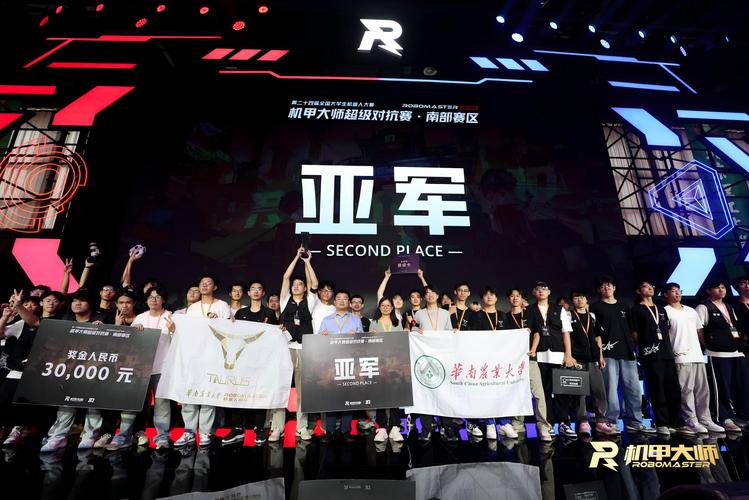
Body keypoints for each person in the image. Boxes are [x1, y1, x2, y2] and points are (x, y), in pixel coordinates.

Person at [105, 286, 175, 450]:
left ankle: (162, 438)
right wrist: (133, 331)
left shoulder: (171, 317)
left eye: (157, 297)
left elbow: (178, 343)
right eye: (150, 297)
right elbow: (129, 343)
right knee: (130, 403)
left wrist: (174, 331)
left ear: (164, 300)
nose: (153, 300)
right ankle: (123, 436)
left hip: (162, 367)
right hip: (139, 367)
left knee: (162, 404)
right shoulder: (140, 317)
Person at [40, 291, 108, 451]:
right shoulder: (64, 321)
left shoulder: (101, 321)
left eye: (82, 301)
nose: (77, 303)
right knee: (66, 403)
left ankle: (89, 436)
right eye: (75, 301)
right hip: (68, 370)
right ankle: (58, 437)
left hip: (92, 369)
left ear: (90, 304)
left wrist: (102, 331)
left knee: (92, 402)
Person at [589, 276, 653, 435]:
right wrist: (599, 354)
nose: (606, 288)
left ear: (614, 287)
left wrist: (635, 349)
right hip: (608, 353)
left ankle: (635, 421)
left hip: (627, 353)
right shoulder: (595, 307)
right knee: (610, 391)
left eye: (609, 285)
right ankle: (611, 422)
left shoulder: (625, 306)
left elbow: (632, 331)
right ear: (598, 290)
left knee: (633, 389)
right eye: (602, 286)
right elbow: (594, 334)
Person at [174, 275, 231, 448]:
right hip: (193, 355)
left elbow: (229, 329)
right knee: (190, 392)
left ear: (215, 287)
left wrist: (218, 321)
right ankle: (189, 431)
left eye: (208, 283)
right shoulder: (192, 308)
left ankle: (205, 431)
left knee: (209, 393)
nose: (204, 285)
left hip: (213, 355)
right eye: (202, 283)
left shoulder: (222, 305)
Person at [1, 290, 63, 446]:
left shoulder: (60, 322)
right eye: (47, 300)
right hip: (16, 372)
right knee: (3, 402)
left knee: (30, 408)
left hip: (41, 374)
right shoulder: (22, 323)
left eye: (55, 300)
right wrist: (4, 317)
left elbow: (35, 322)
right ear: (41, 303)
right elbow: (1, 334)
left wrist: (19, 305)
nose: (50, 303)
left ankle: (20, 430)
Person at [662, 283, 725, 434]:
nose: (677, 293)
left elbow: (699, 331)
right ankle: (691, 420)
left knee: (703, 389)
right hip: (680, 356)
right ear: (665, 294)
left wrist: (706, 347)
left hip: (697, 355)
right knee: (686, 390)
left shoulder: (691, 310)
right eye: (673, 291)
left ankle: (705, 419)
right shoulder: (665, 311)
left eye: (679, 291)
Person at [271, 246, 318, 442]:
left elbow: (314, 282)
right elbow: (285, 277)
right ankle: (276, 428)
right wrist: (296, 257)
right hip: (286, 349)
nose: (296, 286)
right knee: (280, 387)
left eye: (300, 284)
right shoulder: (284, 301)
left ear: (305, 288)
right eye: (294, 284)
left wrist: (307, 262)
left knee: (303, 391)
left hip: (304, 349)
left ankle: (302, 426)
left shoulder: (310, 300)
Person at [223, 280, 278, 446]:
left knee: (259, 392)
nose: (256, 291)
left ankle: (259, 428)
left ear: (263, 293)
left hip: (262, 361)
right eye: (253, 289)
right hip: (243, 360)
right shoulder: (241, 313)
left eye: (259, 289)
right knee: (239, 392)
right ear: (248, 293)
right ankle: (237, 428)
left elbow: (275, 337)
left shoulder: (269, 313)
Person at [559, 291, 616, 436]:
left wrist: (600, 356)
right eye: (576, 298)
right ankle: (583, 421)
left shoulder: (592, 316)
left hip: (592, 359)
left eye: (582, 297)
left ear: (586, 300)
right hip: (577, 359)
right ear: (572, 301)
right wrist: (568, 356)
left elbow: (598, 338)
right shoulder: (568, 315)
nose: (579, 300)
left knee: (599, 390)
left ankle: (601, 421)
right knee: (580, 392)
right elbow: (566, 336)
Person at [629, 280, 683, 436]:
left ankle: (675, 422)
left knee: (673, 389)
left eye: (651, 286)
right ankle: (661, 422)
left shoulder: (661, 309)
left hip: (667, 353)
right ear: (638, 291)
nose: (650, 289)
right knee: (656, 389)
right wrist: (642, 350)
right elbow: (634, 334)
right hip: (650, 354)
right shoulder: (635, 310)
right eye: (645, 286)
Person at [695, 280, 749, 432]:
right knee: (722, 387)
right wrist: (709, 345)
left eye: (723, 287)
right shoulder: (703, 307)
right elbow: (699, 329)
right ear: (708, 290)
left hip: (736, 351)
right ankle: (724, 418)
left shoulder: (729, 306)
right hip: (718, 353)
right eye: (717, 287)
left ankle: (743, 416)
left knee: (742, 385)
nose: (721, 290)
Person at [527, 281, 575, 437]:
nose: (541, 291)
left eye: (544, 289)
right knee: (544, 393)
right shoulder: (529, 310)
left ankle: (564, 423)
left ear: (549, 292)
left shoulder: (559, 309)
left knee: (561, 392)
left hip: (558, 355)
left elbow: (566, 332)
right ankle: (548, 424)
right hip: (539, 356)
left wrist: (568, 355)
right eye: (537, 289)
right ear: (534, 293)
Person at [504, 287, 551, 441]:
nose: (515, 298)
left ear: (522, 298)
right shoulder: (505, 317)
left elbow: (537, 333)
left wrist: (533, 349)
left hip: (530, 359)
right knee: (517, 393)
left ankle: (543, 425)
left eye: (518, 295)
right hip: (514, 362)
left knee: (538, 394)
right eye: (512, 296)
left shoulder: (530, 314)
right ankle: (518, 424)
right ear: (508, 299)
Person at [412, 285, 457, 442]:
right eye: (427, 293)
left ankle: (447, 426)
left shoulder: (445, 313)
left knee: (446, 391)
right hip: (425, 358)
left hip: (443, 357)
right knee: (426, 392)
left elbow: (449, 332)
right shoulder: (419, 313)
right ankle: (426, 428)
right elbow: (412, 329)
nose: (430, 295)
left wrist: (454, 332)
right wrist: (414, 330)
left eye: (433, 293)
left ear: (438, 296)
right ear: (424, 297)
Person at [319, 290, 363, 443]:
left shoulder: (355, 319)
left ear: (349, 302)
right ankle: (329, 430)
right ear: (334, 302)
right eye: (339, 298)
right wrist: (322, 337)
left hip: (350, 362)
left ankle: (346, 430)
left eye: (345, 298)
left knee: (348, 395)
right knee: (331, 394)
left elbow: (362, 340)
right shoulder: (327, 320)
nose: (342, 301)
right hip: (331, 362)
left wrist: (356, 337)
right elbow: (318, 340)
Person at [467, 287, 510, 440]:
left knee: (502, 390)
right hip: (483, 360)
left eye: (492, 294)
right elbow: (471, 338)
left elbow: (511, 336)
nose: (489, 297)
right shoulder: (477, 316)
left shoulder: (503, 315)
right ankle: (490, 423)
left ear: (497, 298)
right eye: (486, 295)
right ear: (482, 299)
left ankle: (504, 423)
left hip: (501, 360)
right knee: (487, 391)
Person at [370, 297, 408, 444]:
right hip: (379, 363)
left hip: (395, 363)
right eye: (383, 305)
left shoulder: (397, 322)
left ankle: (395, 427)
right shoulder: (374, 323)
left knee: (395, 394)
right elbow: (369, 343)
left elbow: (401, 343)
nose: (385, 308)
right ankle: (381, 428)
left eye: (388, 305)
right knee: (379, 394)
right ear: (379, 307)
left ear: (392, 308)